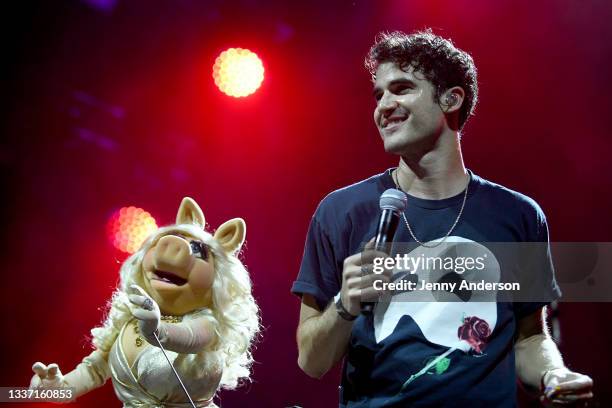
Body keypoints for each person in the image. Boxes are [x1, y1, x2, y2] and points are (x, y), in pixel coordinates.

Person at [292, 30, 593, 407]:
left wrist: (554, 374)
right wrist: (344, 305)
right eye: (379, 94)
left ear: (452, 99)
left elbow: (530, 337)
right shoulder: (341, 212)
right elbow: (311, 360)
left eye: (401, 89)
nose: (384, 105)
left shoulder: (518, 215)